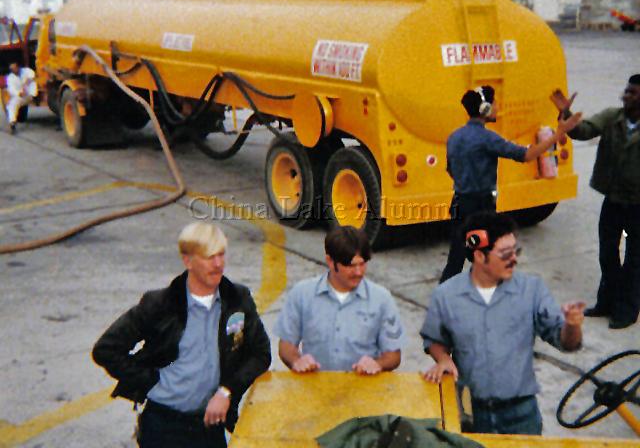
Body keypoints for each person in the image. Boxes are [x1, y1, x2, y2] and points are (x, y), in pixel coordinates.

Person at [92, 222, 271, 448]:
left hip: (210, 424)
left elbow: (261, 353)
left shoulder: (237, 299)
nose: (218, 265)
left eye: (221, 255)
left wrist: (226, 391)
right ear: (188, 261)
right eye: (209, 257)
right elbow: (106, 349)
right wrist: (151, 381)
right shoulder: (159, 304)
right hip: (163, 426)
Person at [421, 211, 584, 435]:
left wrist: (572, 325)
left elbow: (566, 343)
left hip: (522, 415)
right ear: (479, 256)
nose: (514, 258)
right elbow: (434, 339)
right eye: (505, 254)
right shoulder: (446, 295)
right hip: (470, 415)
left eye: (516, 251)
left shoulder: (532, 290)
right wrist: (442, 359)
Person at [439, 85, 582, 283]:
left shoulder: (454, 137)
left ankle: (445, 296)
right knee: (487, 258)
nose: (498, 107)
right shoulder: (488, 139)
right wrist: (558, 134)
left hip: (459, 203)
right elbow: (527, 155)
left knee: (456, 258)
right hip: (482, 209)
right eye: (495, 104)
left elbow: (450, 170)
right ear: (485, 109)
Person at [551, 74, 640, 330]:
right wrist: (566, 114)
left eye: (633, 93)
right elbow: (583, 130)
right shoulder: (613, 117)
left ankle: (627, 310)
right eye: (626, 90)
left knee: (635, 260)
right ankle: (607, 303)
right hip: (613, 200)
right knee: (607, 254)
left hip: (637, 205)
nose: (626, 95)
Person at [274, 226, 404, 375]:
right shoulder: (301, 294)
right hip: (314, 389)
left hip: (364, 390)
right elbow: (286, 346)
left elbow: (394, 356)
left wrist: (377, 364)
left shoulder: (382, 299)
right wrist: (297, 360)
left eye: (362, 264)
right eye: (350, 266)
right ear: (330, 261)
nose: (358, 272)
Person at [5, 62, 37, 134]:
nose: (14, 70)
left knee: (16, 102)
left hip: (30, 94)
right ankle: (12, 123)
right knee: (12, 105)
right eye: (12, 69)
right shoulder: (10, 78)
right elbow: (11, 89)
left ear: (18, 67)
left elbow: (32, 75)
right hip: (21, 96)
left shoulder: (26, 71)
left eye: (15, 68)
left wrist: (26, 83)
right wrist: (19, 93)